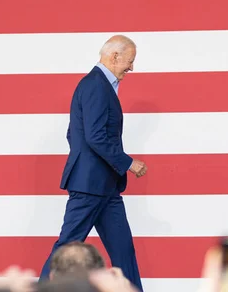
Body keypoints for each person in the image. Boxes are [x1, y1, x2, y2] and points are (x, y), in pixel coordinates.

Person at [39, 35, 147, 291]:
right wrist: (128, 163)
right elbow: (95, 136)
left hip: (106, 186)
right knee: (67, 247)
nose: (131, 67)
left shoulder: (99, 86)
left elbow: (74, 135)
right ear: (115, 56)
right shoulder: (96, 85)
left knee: (123, 251)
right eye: (130, 61)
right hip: (89, 186)